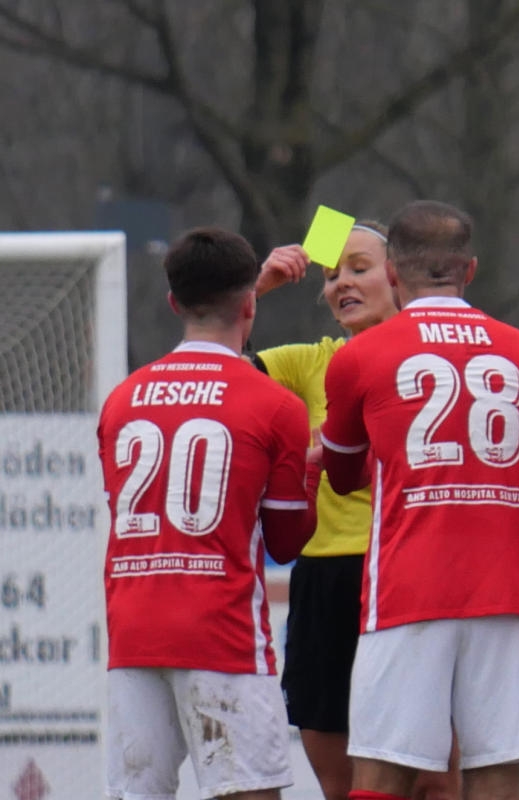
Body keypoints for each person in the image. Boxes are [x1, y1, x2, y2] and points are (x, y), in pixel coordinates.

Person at [320, 200, 519, 800]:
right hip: (506, 592)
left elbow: (342, 476)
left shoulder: (360, 357)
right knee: (497, 774)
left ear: (392, 273)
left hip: (407, 590)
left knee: (381, 774)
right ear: (469, 270)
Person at [97, 227, 319, 800]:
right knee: (248, 793)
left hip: (134, 633)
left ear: (173, 303)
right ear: (250, 303)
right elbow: (287, 540)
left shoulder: (121, 400)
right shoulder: (276, 405)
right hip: (221, 633)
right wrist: (313, 469)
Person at [253, 221, 462, 800]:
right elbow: (221, 375)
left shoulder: (434, 357)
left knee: (435, 781)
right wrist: (258, 288)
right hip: (324, 581)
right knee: (342, 783)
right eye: (329, 275)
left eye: (359, 268)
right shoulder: (309, 363)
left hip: (406, 577)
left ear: (397, 276)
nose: (341, 282)